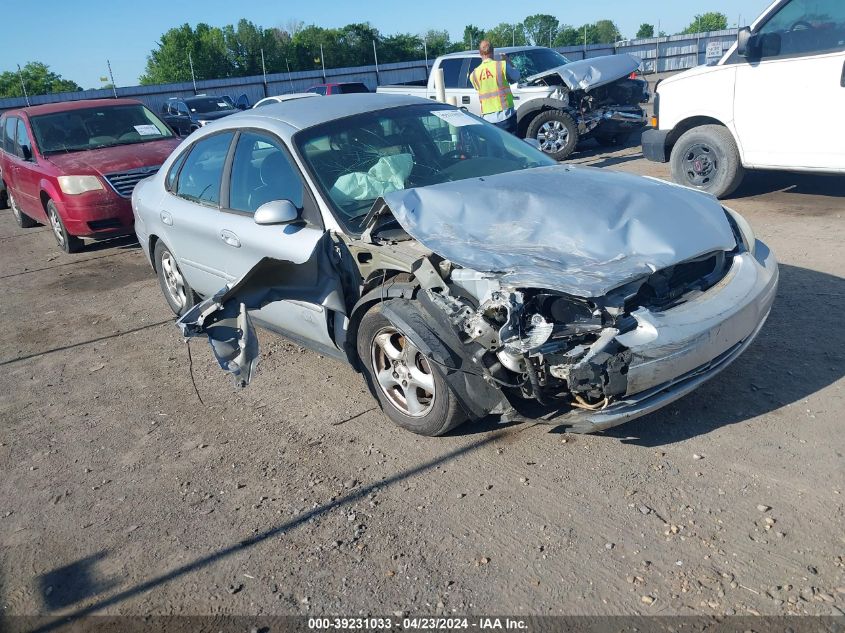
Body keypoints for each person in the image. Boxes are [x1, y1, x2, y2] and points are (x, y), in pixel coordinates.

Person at [469, 40, 521, 134]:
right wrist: (508, 61)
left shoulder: (474, 74)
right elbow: (517, 76)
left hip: (487, 120)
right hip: (505, 116)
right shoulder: (501, 65)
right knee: (511, 147)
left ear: (480, 53)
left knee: (493, 148)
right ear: (493, 51)